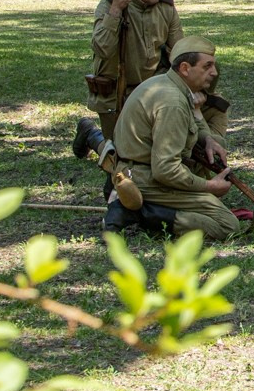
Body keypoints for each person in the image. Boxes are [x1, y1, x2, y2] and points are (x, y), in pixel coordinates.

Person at [78, 0, 228, 157]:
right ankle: (91, 135)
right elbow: (102, 48)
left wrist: (193, 89)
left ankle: (205, 153)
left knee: (216, 107)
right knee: (119, 158)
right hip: (117, 96)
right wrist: (116, 11)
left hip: (155, 91)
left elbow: (181, 54)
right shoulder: (110, 5)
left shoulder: (166, 8)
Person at [99, 36, 241, 241]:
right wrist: (208, 186)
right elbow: (165, 169)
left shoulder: (164, 84)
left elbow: (185, 130)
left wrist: (207, 139)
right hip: (145, 178)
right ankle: (138, 212)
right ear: (185, 68)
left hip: (135, 170)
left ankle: (140, 206)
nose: (214, 72)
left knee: (212, 215)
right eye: (207, 66)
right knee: (227, 225)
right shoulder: (173, 103)